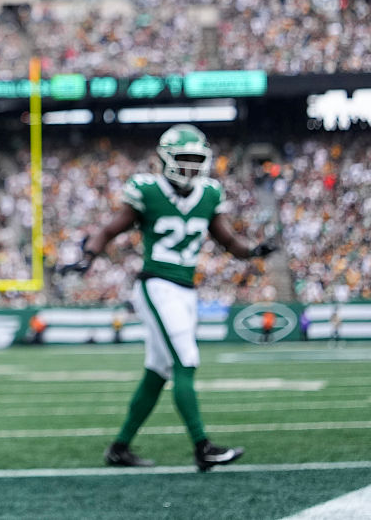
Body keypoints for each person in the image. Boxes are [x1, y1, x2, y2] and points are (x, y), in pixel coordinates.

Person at [62, 124, 276, 472]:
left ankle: (119, 448)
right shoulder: (148, 190)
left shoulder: (208, 193)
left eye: (196, 160)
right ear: (165, 160)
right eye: (183, 159)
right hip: (157, 285)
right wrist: (88, 256)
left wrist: (254, 251)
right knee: (186, 359)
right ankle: (202, 447)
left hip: (186, 290)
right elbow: (108, 230)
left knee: (158, 371)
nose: (190, 167)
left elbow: (228, 242)